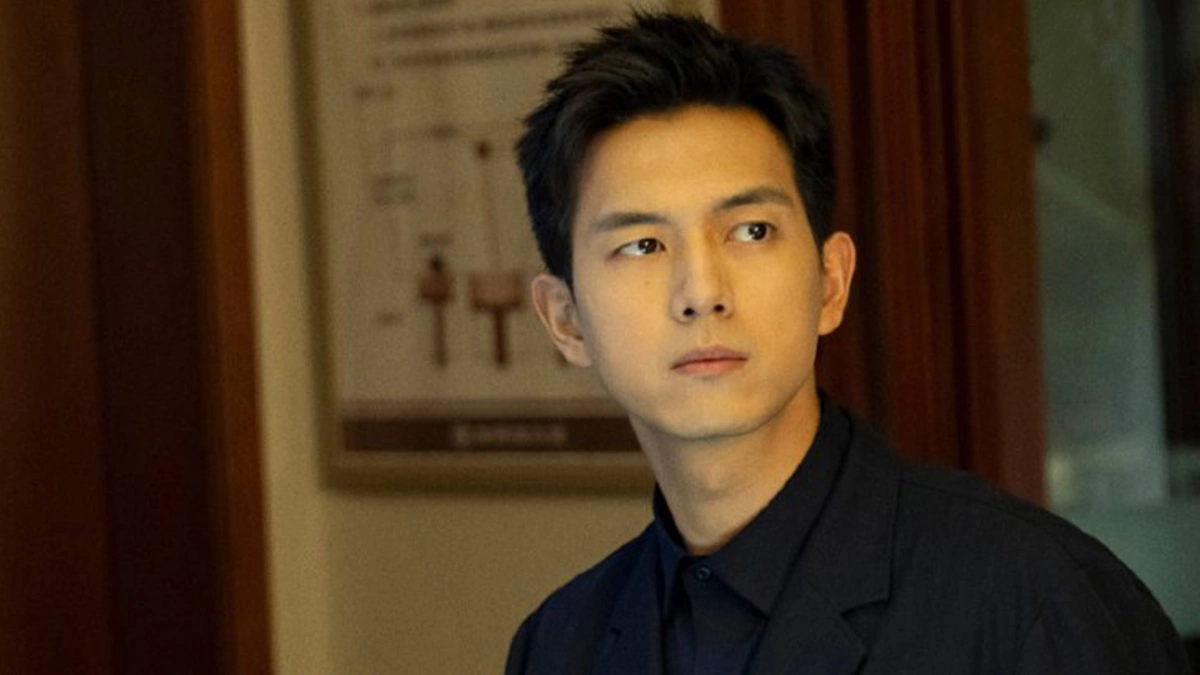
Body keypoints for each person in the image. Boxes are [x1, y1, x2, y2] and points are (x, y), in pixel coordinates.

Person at [506, 12, 1192, 675]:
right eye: (642, 245)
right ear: (565, 320)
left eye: (750, 231)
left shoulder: (1034, 602)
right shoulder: (561, 643)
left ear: (831, 281)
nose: (702, 292)